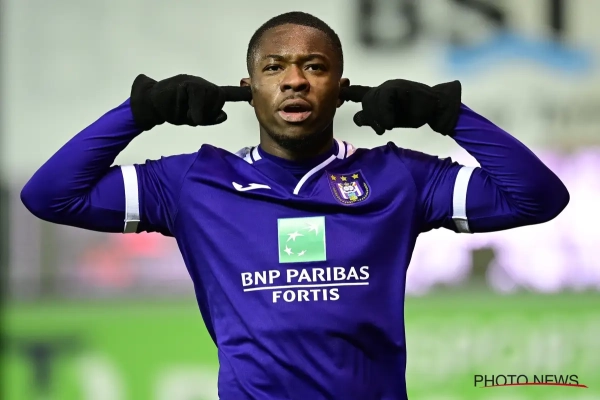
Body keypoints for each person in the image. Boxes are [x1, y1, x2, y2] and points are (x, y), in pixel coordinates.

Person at [21, 11, 569, 400]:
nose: (294, 81)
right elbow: (49, 195)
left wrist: (447, 115)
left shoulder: (397, 176)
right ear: (250, 88)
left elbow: (538, 197)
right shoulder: (194, 182)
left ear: (340, 87)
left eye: (315, 66)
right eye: (274, 67)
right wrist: (140, 112)